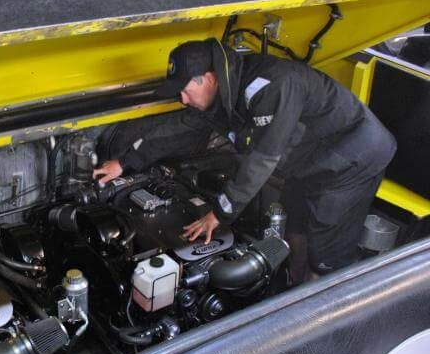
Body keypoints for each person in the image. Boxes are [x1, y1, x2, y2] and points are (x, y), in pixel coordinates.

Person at [93, 38, 396, 281]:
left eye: (185, 91)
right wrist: (125, 162)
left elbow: (262, 159)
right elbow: (179, 126)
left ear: (208, 78)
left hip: (353, 159)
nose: (183, 100)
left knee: (326, 251)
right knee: (295, 228)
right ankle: (290, 287)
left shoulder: (273, 85)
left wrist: (220, 213)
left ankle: (320, 318)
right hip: (312, 162)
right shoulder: (223, 91)